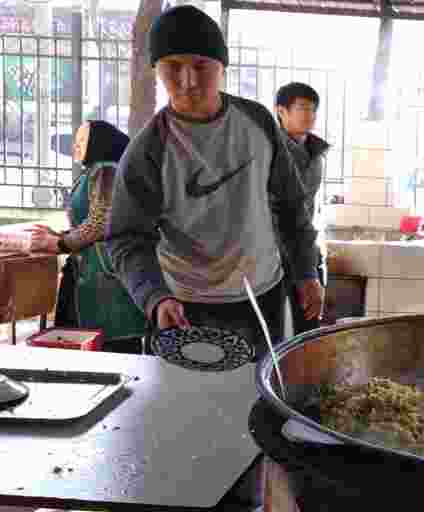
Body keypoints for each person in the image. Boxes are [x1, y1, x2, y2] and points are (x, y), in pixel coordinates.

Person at [104, 4, 323, 356]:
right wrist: (155, 297)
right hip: (185, 307)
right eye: (173, 67)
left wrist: (306, 272)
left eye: (201, 66)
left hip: (263, 296)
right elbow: (126, 238)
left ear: (222, 67)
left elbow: (290, 204)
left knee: (260, 397)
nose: (188, 81)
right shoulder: (149, 150)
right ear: (155, 71)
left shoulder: (258, 123)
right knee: (186, 405)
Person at [27, 120, 148, 353]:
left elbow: (101, 222)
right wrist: (61, 236)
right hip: (93, 275)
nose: (75, 147)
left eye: (82, 141)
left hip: (104, 279)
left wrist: (60, 243)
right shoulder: (96, 171)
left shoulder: (105, 169)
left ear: (99, 142)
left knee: (111, 351)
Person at [274, 82, 330, 335]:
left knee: (309, 323)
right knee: (270, 327)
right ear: (280, 111)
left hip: (306, 246)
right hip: (272, 252)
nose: (310, 115)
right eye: (302, 108)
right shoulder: (269, 150)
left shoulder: (316, 152)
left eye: (313, 109)